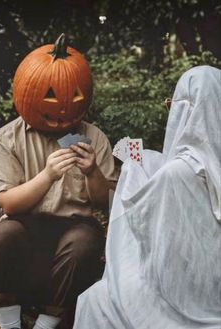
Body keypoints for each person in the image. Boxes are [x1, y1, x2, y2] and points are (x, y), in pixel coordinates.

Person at [0, 35, 118, 329]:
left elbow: (106, 202)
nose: (62, 108)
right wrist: (47, 176)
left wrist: (92, 172)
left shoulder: (93, 137)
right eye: (50, 94)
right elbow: (7, 203)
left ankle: (47, 323)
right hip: (23, 221)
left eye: (74, 96)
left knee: (84, 244)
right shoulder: (5, 139)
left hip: (75, 223)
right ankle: (8, 323)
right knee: (2, 237)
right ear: (25, 93)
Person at [73, 65, 221, 329]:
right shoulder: (202, 167)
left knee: (97, 300)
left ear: (188, 111)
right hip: (212, 283)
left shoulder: (177, 172)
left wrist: (133, 171)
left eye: (172, 106)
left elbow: (144, 224)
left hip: (179, 285)